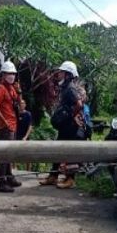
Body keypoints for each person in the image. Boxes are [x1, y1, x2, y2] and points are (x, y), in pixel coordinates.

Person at [39, 60, 86, 189]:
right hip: (65, 127)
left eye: (61, 72)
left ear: (68, 74)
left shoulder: (70, 88)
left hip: (70, 127)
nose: (58, 74)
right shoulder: (65, 87)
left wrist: (71, 115)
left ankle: (70, 179)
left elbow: (79, 105)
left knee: (69, 152)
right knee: (58, 150)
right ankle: (53, 176)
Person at [0, 60, 22, 193]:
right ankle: (1, 182)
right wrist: (3, 121)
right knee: (4, 154)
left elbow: (18, 104)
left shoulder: (12, 88)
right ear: (3, 75)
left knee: (10, 154)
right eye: (8, 73)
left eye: (13, 74)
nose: (11, 76)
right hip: (6, 127)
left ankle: (9, 177)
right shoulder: (1, 88)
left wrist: (19, 92)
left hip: (13, 125)